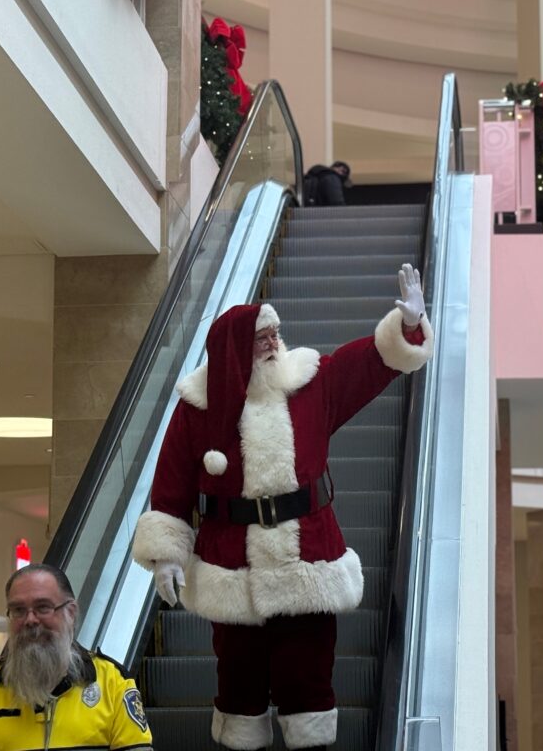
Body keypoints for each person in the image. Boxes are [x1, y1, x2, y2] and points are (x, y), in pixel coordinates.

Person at [132, 264, 433, 750]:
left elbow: (368, 363)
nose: (274, 343)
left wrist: (409, 327)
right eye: (262, 337)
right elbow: (171, 486)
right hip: (233, 565)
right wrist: (166, 554)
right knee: (238, 686)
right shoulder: (197, 407)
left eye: (276, 334)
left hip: (307, 561)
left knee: (309, 684)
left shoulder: (311, 383)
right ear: (234, 349)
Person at [0, 564, 153, 751]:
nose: (30, 620)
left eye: (43, 607)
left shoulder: (113, 683)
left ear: (71, 612)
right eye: (18, 610)